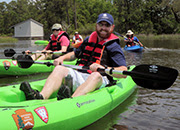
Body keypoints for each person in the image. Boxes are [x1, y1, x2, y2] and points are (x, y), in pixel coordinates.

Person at [20, 13, 127, 100]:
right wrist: (61, 58)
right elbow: (75, 54)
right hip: (81, 74)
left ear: (112, 27)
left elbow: (123, 71)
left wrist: (104, 69)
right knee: (59, 69)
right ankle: (41, 97)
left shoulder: (113, 46)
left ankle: (72, 101)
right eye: (101, 24)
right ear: (96, 25)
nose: (103, 28)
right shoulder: (89, 39)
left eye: (107, 25)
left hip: (100, 79)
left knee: (96, 75)